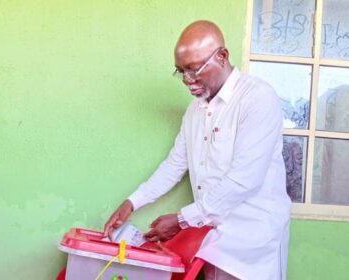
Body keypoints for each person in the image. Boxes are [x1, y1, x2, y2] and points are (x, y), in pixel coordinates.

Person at [104, 20, 291, 280]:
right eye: (181, 71)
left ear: (222, 56)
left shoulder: (257, 98)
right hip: (212, 239)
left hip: (254, 242)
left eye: (194, 70)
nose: (187, 80)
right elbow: (175, 165)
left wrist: (181, 220)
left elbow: (244, 179)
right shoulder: (196, 110)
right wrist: (132, 202)